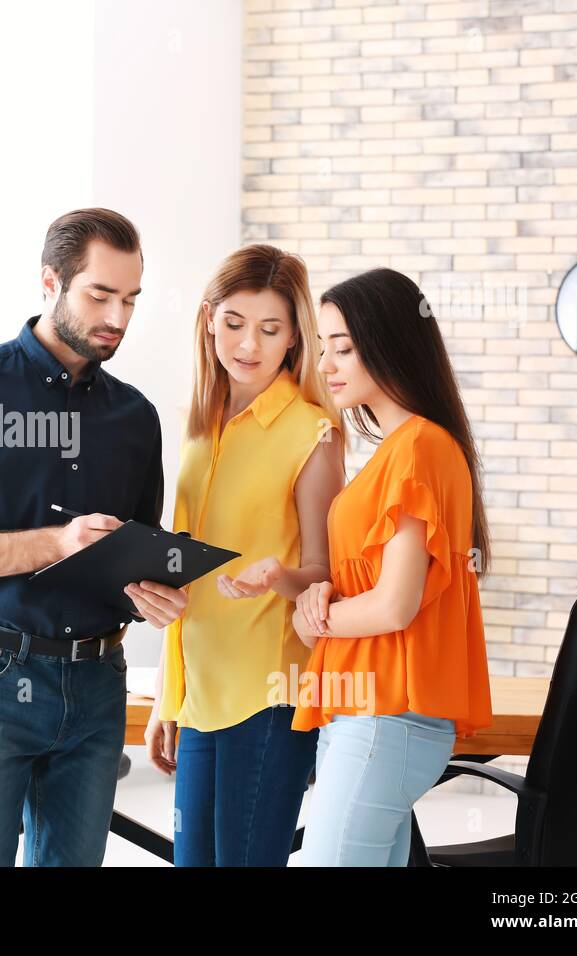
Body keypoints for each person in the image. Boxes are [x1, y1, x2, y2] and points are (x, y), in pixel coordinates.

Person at [0, 207, 186, 866]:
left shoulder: (135, 417)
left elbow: (131, 553)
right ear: (50, 281)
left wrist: (155, 592)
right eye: (100, 295)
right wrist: (56, 542)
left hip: (96, 683)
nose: (117, 317)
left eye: (131, 300)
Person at [146, 244, 344, 866]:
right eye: (233, 323)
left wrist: (277, 577)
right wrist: (166, 697)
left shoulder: (313, 432)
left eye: (269, 329)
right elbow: (184, 577)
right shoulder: (201, 426)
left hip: (269, 692)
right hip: (201, 689)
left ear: (294, 338)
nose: (248, 345)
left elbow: (325, 577)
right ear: (208, 319)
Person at [291, 267, 494, 866]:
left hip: (384, 718)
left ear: (391, 344)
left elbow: (393, 603)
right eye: (322, 348)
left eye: (344, 349)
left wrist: (320, 615)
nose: (326, 366)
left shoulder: (418, 448)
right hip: (373, 713)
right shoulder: (404, 449)